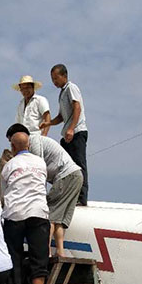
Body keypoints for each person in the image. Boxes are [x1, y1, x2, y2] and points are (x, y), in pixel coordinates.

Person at [0, 125, 49, 284]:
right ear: (28, 145)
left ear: (12, 146)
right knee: (39, 261)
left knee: (14, 259)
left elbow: (3, 196)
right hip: (38, 213)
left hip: (15, 214)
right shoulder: (41, 163)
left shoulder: (9, 166)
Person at [29, 132, 84, 257]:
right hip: (76, 175)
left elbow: (39, 169)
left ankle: (46, 251)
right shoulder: (39, 141)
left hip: (66, 176)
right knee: (59, 220)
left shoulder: (33, 141)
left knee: (49, 216)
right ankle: (60, 251)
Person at [39, 64, 88, 205]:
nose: (54, 82)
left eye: (56, 78)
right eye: (52, 79)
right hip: (67, 135)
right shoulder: (62, 93)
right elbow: (61, 116)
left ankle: (81, 197)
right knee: (65, 165)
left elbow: (77, 107)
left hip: (77, 132)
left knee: (79, 164)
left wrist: (72, 128)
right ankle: (68, 193)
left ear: (64, 76)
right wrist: (48, 123)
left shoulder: (71, 88)